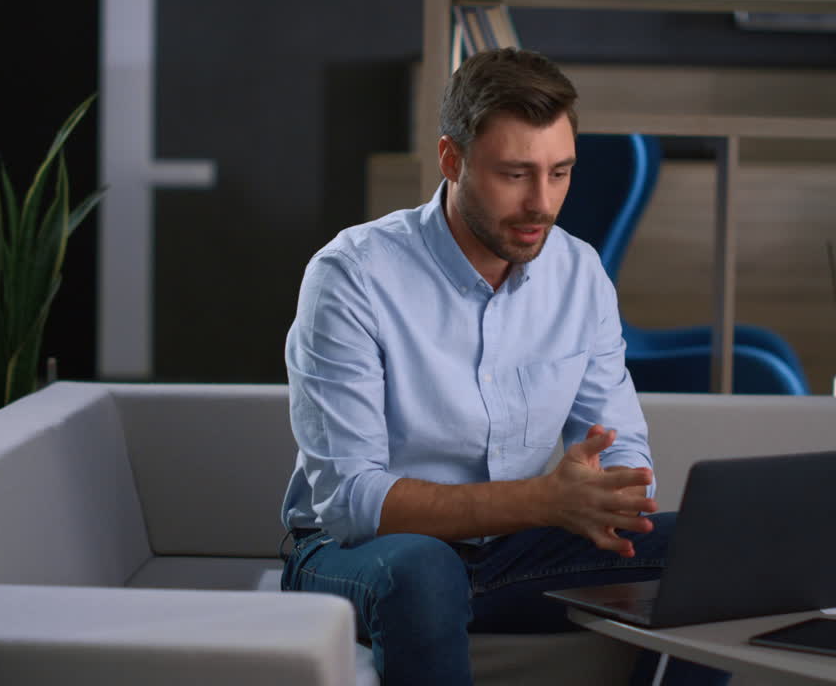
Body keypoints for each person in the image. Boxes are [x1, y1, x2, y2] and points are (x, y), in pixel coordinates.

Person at [280, 48, 728, 686]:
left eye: (560, 173)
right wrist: (544, 500)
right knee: (423, 570)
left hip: (512, 556)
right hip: (352, 557)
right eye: (515, 174)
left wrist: (610, 490)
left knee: (713, 551)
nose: (541, 204)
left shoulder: (580, 276)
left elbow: (621, 443)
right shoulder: (352, 277)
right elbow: (353, 503)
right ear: (451, 160)